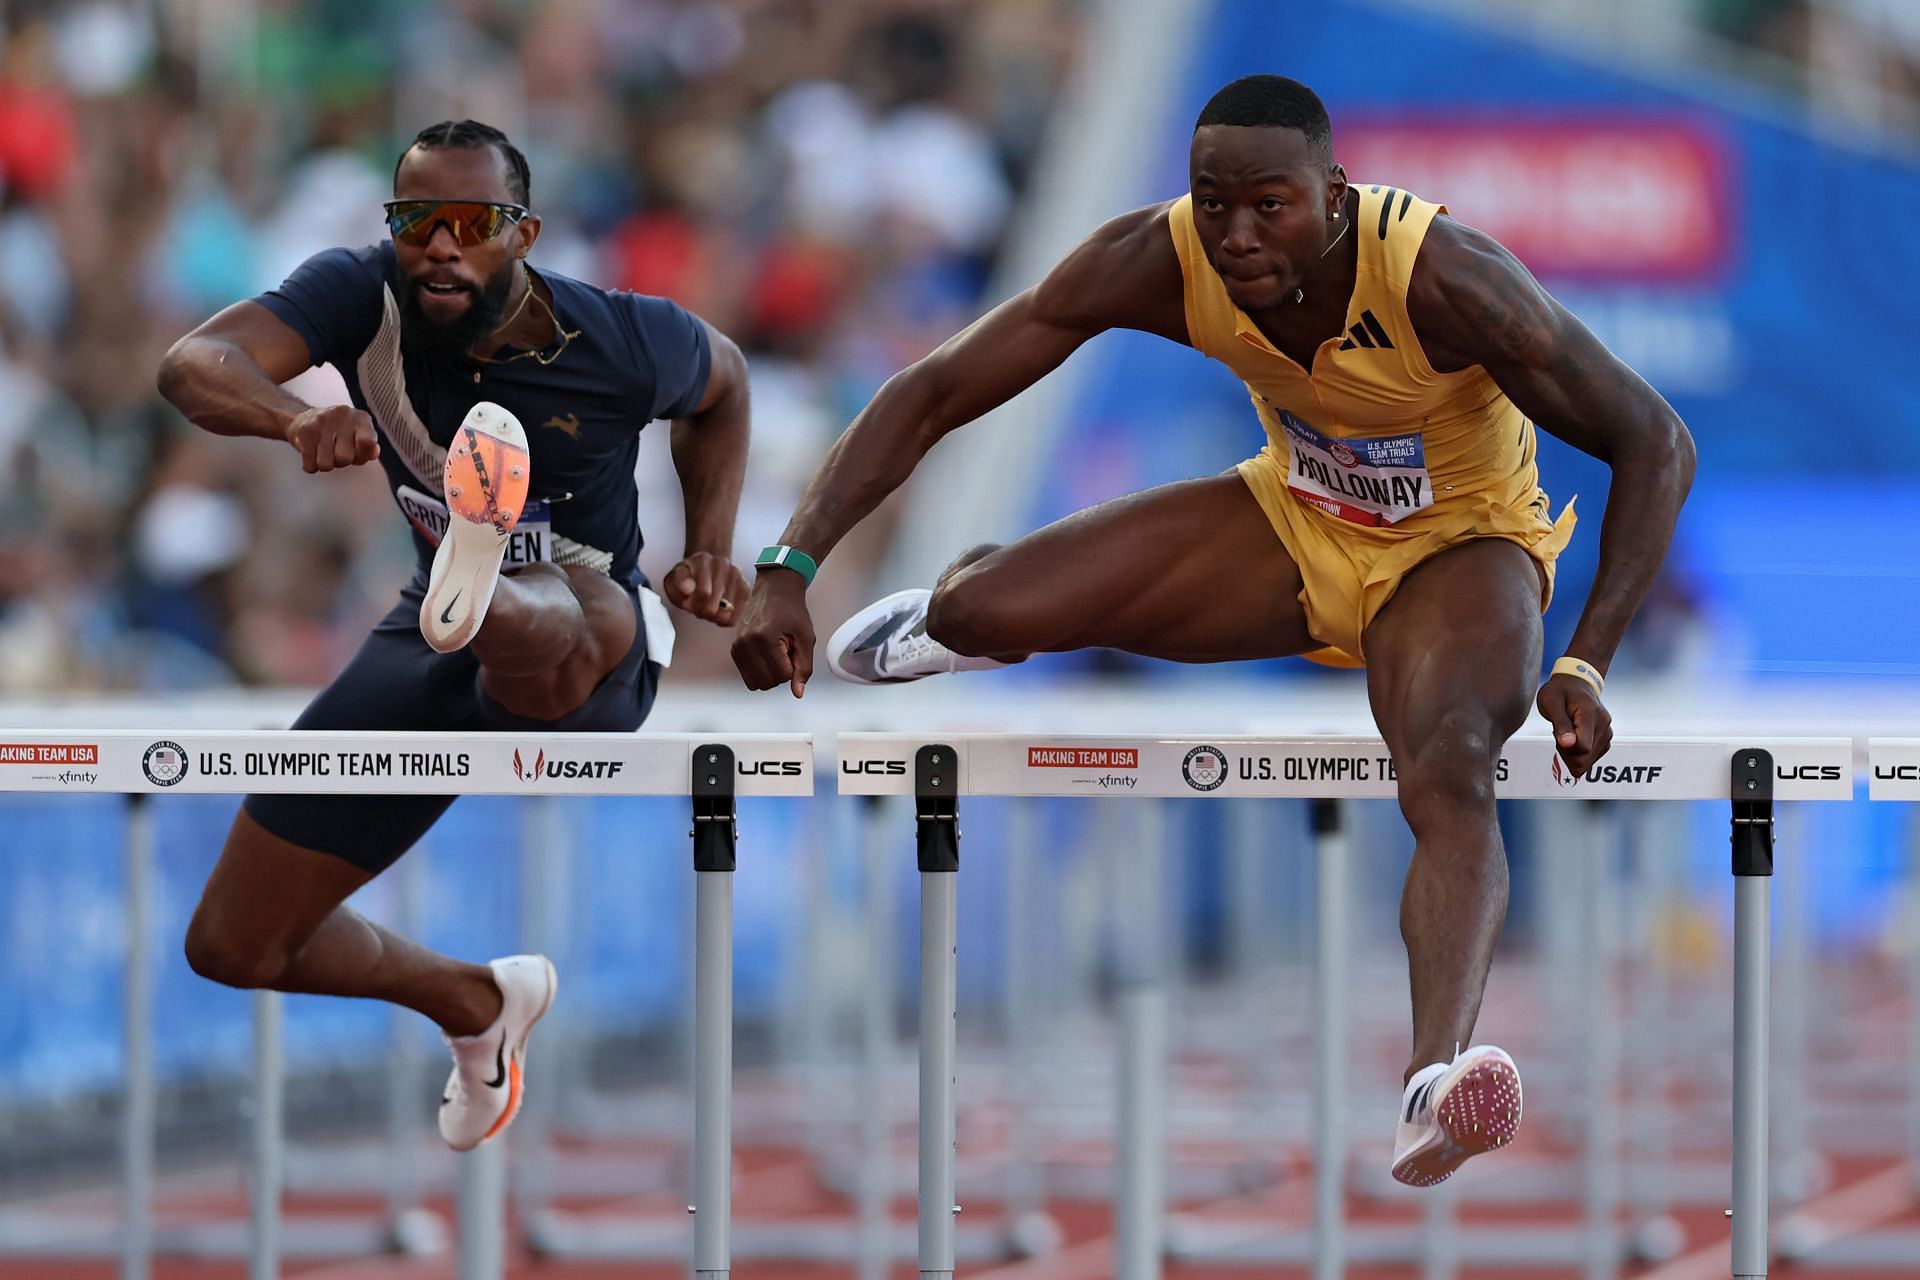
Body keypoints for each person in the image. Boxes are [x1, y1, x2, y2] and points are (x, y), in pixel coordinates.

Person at [732, 76, 1694, 1186]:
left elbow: (1654, 439)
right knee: (979, 605)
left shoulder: (1443, 275)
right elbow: (938, 386)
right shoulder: (1159, 254)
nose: (1236, 237)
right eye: (1213, 202)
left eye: (1269, 205)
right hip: (1294, 521)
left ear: (1334, 194)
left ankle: (1435, 1080)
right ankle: (966, 614)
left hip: (1458, 551)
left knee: (1450, 765)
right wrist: (790, 564)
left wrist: (1587, 656)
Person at [157, 120, 752, 1151]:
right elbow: (191, 361)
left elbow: (727, 382)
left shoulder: (618, 334)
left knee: (563, 608)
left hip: (593, 650)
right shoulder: (361, 292)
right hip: (431, 628)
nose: (439, 244)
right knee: (234, 942)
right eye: (417, 220)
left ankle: (492, 586)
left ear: (521, 235)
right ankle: (476, 999)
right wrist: (292, 418)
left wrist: (709, 544)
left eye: (470, 224)